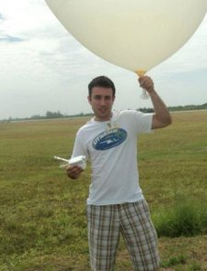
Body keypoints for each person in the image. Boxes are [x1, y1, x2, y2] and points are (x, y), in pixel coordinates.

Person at [66, 75, 172, 271]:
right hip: (100, 207)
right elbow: (77, 165)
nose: (102, 103)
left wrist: (151, 91)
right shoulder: (84, 133)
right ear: (89, 99)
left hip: (133, 204)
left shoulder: (128, 119)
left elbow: (165, 120)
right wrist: (73, 172)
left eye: (107, 97)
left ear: (113, 99)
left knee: (149, 265)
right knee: (102, 267)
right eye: (97, 97)